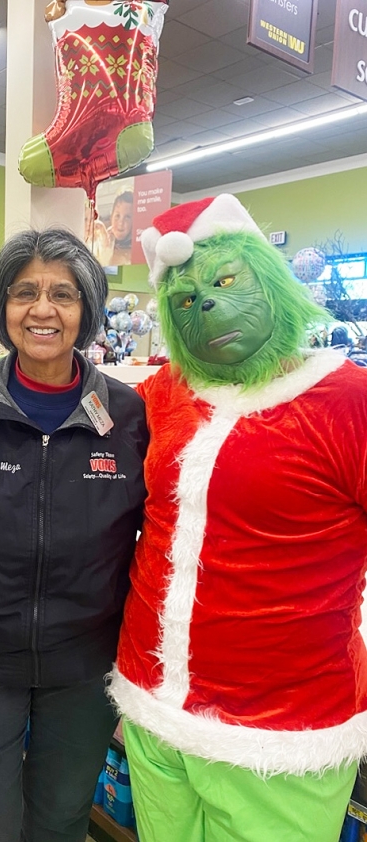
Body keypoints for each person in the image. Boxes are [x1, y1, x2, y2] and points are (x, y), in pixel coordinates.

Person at [109, 194, 367, 842]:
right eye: (186, 300)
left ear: (270, 280)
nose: (210, 307)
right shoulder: (165, 392)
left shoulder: (347, 402)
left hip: (280, 736)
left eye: (226, 282)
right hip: (152, 710)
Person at [0, 228, 148, 842]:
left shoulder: (128, 416)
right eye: (24, 293)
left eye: (64, 295)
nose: (43, 310)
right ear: (2, 309)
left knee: (61, 820)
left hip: (84, 666)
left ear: (88, 311)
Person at [108, 191, 133, 266]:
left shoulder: (133, 248)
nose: (120, 223)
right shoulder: (105, 240)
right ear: (111, 217)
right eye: (117, 216)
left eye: (127, 217)